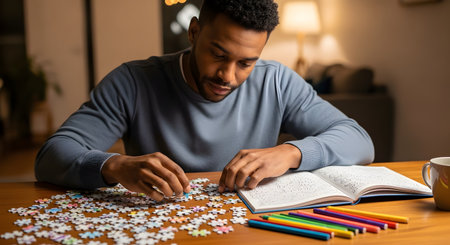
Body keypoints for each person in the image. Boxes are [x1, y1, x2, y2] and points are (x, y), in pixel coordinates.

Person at [35, 0, 374, 202]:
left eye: (245, 63)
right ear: (194, 31)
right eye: (218, 54)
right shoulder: (132, 81)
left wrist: (291, 152)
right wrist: (113, 165)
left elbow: (358, 139)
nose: (228, 75)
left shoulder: (277, 80)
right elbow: (52, 155)